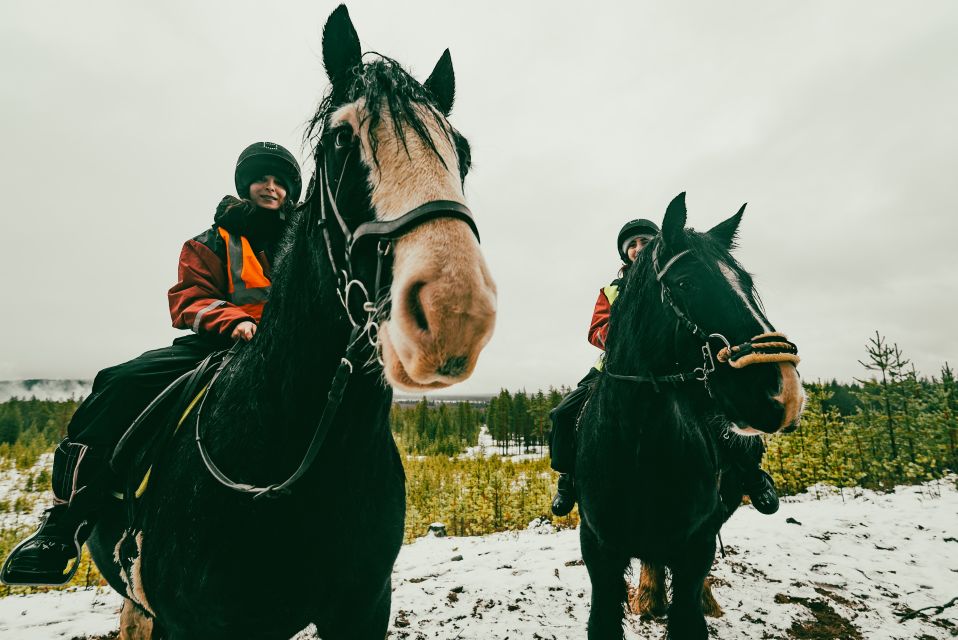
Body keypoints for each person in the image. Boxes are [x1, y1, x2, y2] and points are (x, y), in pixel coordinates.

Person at [1, 142, 302, 586]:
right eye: (263, 179)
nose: (271, 188)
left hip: (291, 351)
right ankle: (66, 523)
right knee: (119, 382)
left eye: (280, 182)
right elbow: (189, 299)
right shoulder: (212, 240)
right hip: (220, 345)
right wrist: (233, 320)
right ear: (246, 185)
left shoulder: (308, 238)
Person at [549, 219, 780, 517]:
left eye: (644, 241)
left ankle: (752, 475)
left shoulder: (671, 280)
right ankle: (568, 480)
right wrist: (629, 340)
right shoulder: (611, 290)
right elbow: (596, 330)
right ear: (624, 254)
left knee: (721, 410)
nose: (637, 248)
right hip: (616, 366)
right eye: (631, 245)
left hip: (674, 365)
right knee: (564, 415)